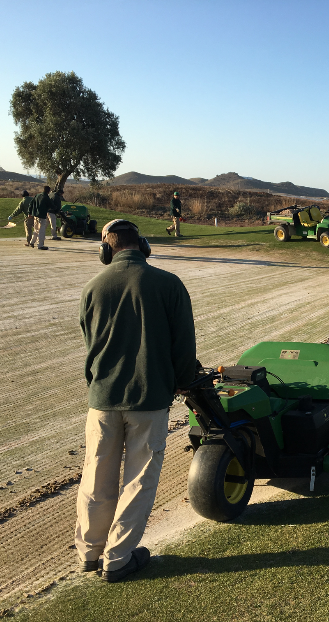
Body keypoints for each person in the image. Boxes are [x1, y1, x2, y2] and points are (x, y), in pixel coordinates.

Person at [75, 219, 197, 582]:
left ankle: (89, 552)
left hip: (102, 400)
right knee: (139, 479)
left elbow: (90, 346)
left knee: (96, 476)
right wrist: (183, 382)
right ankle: (118, 558)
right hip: (149, 399)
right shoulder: (169, 284)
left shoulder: (92, 287)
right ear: (141, 245)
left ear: (105, 249)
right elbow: (183, 347)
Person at [30, 186, 53, 250]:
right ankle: (40, 245)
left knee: (36, 229)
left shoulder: (37, 195)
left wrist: (30, 212)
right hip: (42, 216)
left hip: (35, 215)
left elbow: (31, 203)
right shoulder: (46, 197)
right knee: (41, 230)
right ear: (48, 191)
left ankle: (32, 242)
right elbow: (51, 206)